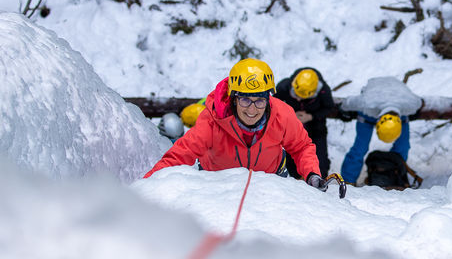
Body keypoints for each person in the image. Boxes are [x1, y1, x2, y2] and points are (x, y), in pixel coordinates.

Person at [144, 59, 326, 191]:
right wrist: (144, 190)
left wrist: (312, 174)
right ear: (233, 98)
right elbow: (178, 157)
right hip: (218, 187)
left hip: (271, 186)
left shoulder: (282, 114)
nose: (252, 110)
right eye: (245, 100)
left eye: (259, 101)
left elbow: (302, 147)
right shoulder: (212, 121)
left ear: (268, 99)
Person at [339, 76, 423, 185]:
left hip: (399, 105)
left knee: (403, 146)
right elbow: (347, 103)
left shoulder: (411, 104)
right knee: (360, 147)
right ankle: (348, 181)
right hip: (371, 107)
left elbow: (419, 103)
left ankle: (394, 173)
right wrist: (343, 110)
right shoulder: (367, 103)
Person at [274, 67, 336, 178]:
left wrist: (311, 116)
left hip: (316, 127)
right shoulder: (284, 86)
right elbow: (273, 105)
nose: (297, 99)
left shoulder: (323, 91)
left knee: (320, 159)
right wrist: (290, 115)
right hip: (291, 127)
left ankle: (319, 181)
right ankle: (295, 180)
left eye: (302, 97)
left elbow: (329, 108)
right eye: (295, 95)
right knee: (290, 157)